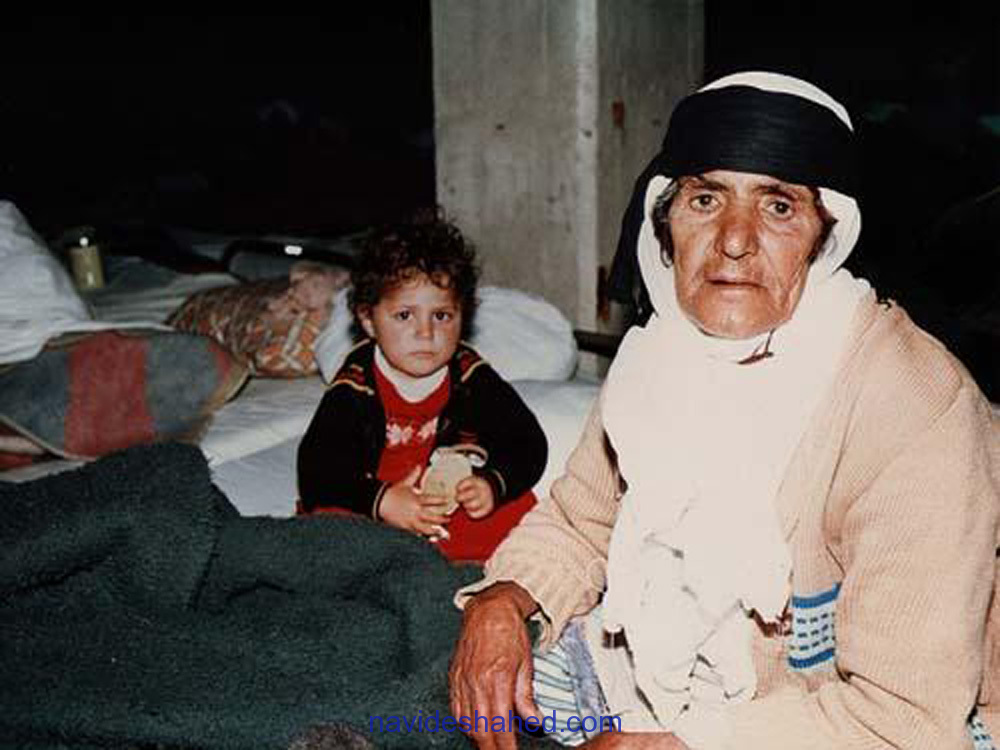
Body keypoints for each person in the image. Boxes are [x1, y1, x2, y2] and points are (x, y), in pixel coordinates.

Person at [448, 71, 1000, 749]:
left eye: (778, 207)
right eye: (706, 199)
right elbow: (580, 521)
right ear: (667, 225)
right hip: (655, 692)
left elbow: (905, 720)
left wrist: (681, 745)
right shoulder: (658, 359)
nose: (735, 239)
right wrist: (505, 598)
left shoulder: (912, 405)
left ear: (824, 237)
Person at [296, 213, 548, 563]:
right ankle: (400, 567)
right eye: (404, 316)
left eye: (442, 316)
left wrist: (492, 483)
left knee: (528, 520)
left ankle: (455, 569)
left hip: (446, 503)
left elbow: (527, 441)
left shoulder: (471, 375)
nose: (425, 333)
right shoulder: (354, 385)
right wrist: (383, 501)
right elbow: (316, 467)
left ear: (463, 316)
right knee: (328, 526)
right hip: (374, 503)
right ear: (368, 320)